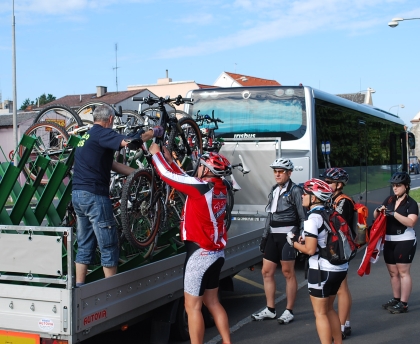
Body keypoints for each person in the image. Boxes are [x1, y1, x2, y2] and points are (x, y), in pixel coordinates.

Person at [148, 144, 232, 344]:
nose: (198, 167)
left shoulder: (201, 188)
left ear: (207, 170)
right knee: (212, 302)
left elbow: (168, 177)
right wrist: (170, 160)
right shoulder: (220, 187)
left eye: (201, 165)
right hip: (216, 254)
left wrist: (156, 155)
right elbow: (185, 180)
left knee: (192, 307)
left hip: (199, 255)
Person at [72, 104, 161, 287]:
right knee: (109, 244)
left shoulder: (87, 136)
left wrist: (139, 173)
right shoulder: (103, 133)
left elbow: (111, 164)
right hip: (94, 195)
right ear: (110, 119)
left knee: (85, 243)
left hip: (78, 195)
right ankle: (110, 292)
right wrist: (152, 132)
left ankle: (79, 286)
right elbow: (131, 141)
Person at [289, 178, 347, 344]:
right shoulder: (331, 212)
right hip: (339, 268)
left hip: (321, 269)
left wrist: (292, 242)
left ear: (313, 197)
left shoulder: (312, 218)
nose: (302, 197)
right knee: (329, 309)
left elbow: (309, 249)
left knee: (320, 313)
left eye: (305, 194)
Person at [251, 158, 306, 324]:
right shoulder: (275, 189)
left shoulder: (296, 190)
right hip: (273, 235)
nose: (277, 174)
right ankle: (270, 309)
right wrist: (264, 237)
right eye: (275, 171)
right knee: (266, 271)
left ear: (289, 173)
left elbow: (303, 216)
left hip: (288, 236)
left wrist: (301, 235)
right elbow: (270, 215)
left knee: (288, 273)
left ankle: (289, 310)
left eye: (281, 171)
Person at [374, 171, 418, 314]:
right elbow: (376, 216)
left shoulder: (411, 204)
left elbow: (411, 222)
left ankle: (403, 303)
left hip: (404, 239)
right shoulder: (389, 200)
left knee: (403, 272)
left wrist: (394, 214)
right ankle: (396, 298)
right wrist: (378, 211)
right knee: (393, 272)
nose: (395, 188)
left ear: (406, 186)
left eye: (398, 185)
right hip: (389, 239)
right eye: (393, 185)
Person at [323, 167, 353, 339]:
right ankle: (345, 322)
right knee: (343, 287)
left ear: (339, 184)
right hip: (337, 247)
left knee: (341, 288)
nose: (325, 185)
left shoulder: (343, 201)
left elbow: (335, 224)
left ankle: (342, 326)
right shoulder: (333, 199)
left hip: (341, 249)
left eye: (329, 183)